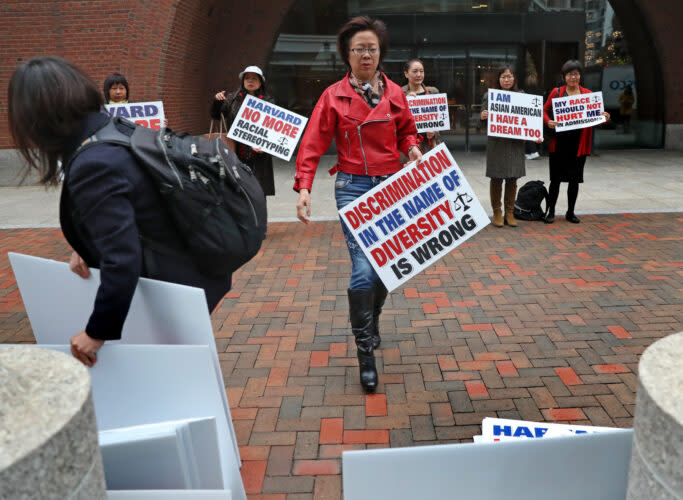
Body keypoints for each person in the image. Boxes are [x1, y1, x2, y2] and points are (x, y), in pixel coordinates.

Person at [8, 56, 231, 367]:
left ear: (37, 117)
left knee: (168, 379)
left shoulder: (93, 162)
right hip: (191, 267)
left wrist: (96, 332)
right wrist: (90, 241)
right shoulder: (113, 129)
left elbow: (122, 258)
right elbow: (137, 202)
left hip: (171, 288)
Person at [294, 16, 422, 392]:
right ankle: (365, 354)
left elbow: (406, 130)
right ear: (346, 55)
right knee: (364, 269)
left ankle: (373, 315)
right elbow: (313, 142)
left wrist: (412, 148)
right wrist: (304, 186)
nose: (366, 54)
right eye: (359, 48)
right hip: (352, 188)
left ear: (380, 53)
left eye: (372, 48)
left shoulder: (395, 92)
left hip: (393, 187)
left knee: (388, 266)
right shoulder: (333, 95)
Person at [543, 60, 610, 224]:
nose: (573, 77)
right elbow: (544, 110)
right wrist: (548, 121)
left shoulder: (587, 94)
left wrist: (605, 117)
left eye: (576, 74)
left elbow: (597, 118)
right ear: (564, 76)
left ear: (580, 76)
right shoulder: (557, 92)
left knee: (574, 179)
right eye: (570, 74)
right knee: (555, 180)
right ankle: (551, 212)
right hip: (559, 143)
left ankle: (570, 212)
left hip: (578, 144)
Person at [480, 65, 535, 227]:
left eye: (509, 76)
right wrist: (483, 116)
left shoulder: (522, 96)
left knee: (512, 178)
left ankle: (509, 212)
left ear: (514, 78)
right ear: (498, 79)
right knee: (496, 178)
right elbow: (482, 124)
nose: (506, 79)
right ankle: (497, 211)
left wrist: (533, 134)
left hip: (515, 144)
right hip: (497, 143)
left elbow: (529, 120)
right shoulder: (490, 96)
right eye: (503, 77)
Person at [210, 66, 275, 198]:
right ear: (243, 81)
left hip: (258, 157)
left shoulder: (268, 101)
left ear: (261, 81)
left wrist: (265, 146)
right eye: (247, 78)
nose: (250, 81)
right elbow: (216, 115)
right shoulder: (232, 99)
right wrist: (217, 102)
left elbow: (274, 130)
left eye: (254, 78)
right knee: (237, 193)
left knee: (257, 194)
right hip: (236, 151)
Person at [402, 58, 441, 152]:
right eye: (415, 71)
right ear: (406, 74)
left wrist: (434, 131)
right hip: (409, 147)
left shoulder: (433, 92)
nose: (419, 75)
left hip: (429, 145)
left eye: (421, 71)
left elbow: (440, 120)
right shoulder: (399, 93)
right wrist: (404, 102)